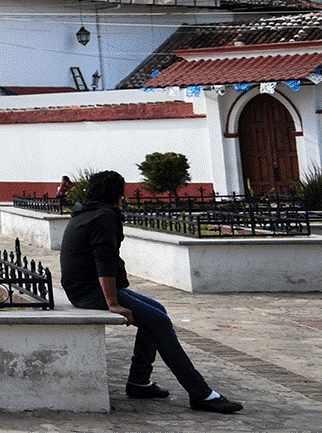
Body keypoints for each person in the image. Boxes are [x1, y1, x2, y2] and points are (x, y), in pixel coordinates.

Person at [59, 169, 242, 414]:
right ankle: (201, 394)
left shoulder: (87, 211)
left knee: (157, 312)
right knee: (159, 321)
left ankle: (139, 381)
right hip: (90, 293)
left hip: (82, 289)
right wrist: (112, 303)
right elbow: (105, 260)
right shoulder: (104, 216)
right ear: (118, 194)